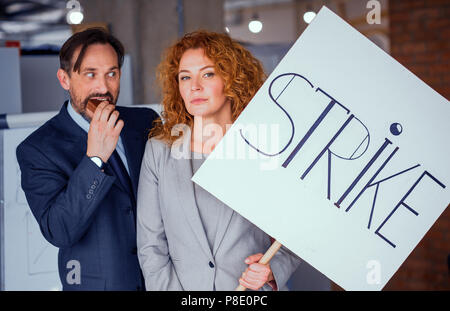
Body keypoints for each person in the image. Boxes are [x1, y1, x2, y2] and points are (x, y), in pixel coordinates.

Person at [136, 30, 301, 291]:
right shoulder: (159, 151)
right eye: (185, 77)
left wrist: (272, 269)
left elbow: (300, 222)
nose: (195, 86)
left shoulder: (265, 146)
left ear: (232, 78)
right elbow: (151, 245)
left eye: (208, 74)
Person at [16, 28, 158, 290]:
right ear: (64, 79)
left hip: (162, 282)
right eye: (90, 74)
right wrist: (95, 159)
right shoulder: (38, 149)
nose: (103, 87)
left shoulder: (144, 122)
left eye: (111, 74)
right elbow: (60, 230)